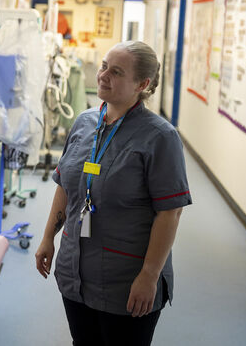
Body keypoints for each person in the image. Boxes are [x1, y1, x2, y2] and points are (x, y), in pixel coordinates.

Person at [35, 41, 192, 346]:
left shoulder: (160, 137)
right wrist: (47, 237)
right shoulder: (84, 123)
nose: (103, 75)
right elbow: (66, 186)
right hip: (75, 271)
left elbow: (169, 213)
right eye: (104, 66)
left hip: (126, 279)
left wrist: (149, 275)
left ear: (142, 84)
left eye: (116, 71)